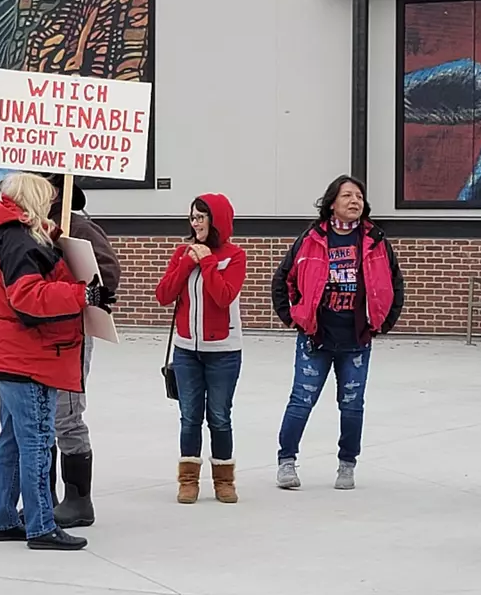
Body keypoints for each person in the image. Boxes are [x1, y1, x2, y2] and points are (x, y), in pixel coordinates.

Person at [0, 172, 115, 551]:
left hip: (6, 352)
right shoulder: (21, 241)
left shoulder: (8, 233)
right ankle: (40, 525)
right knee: (35, 440)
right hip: (27, 356)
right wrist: (81, 294)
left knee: (12, 441)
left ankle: (2, 517)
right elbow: (28, 297)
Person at [270, 175, 404, 491]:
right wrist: (294, 318)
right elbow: (282, 280)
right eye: (347, 195)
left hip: (356, 339)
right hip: (315, 338)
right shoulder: (311, 238)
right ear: (332, 202)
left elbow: (395, 283)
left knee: (352, 405)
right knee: (301, 401)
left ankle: (347, 465)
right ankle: (286, 461)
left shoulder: (376, 239)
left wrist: (384, 321)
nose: (354, 201)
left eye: (359, 196)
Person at [156, 194, 246, 504]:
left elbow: (223, 296)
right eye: (192, 217)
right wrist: (186, 263)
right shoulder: (183, 253)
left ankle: (224, 480)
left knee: (219, 417)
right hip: (186, 351)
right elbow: (164, 294)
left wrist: (207, 261)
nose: (195, 223)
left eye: (201, 217)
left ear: (216, 220)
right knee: (189, 416)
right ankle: (188, 480)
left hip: (223, 351)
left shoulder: (234, 256)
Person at [43, 173, 121, 529]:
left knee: (66, 414)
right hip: (44, 332)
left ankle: (78, 500)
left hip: (71, 332)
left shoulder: (78, 226)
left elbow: (108, 273)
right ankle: (46, 496)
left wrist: (78, 288)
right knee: (43, 416)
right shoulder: (40, 225)